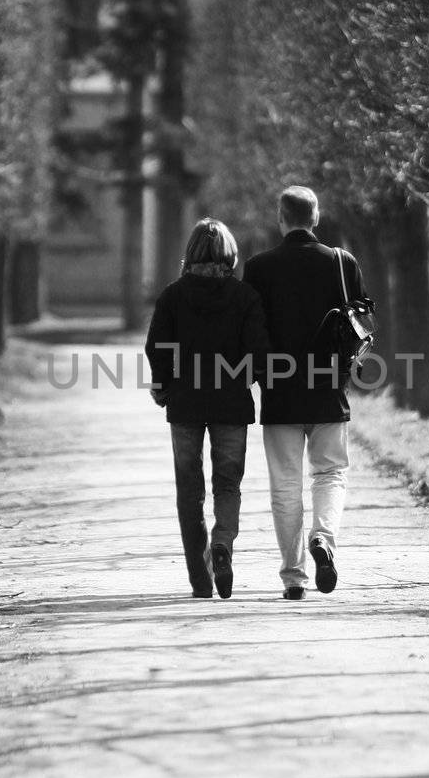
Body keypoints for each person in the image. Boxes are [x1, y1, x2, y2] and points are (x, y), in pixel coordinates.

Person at [242, 186, 368, 600]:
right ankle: (324, 539)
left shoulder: (259, 268)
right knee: (330, 473)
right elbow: (363, 320)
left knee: (284, 485)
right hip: (328, 387)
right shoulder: (340, 263)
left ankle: (294, 577)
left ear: (281, 219)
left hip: (280, 392)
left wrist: (258, 374)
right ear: (316, 217)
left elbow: (251, 331)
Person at [145, 218, 269, 600]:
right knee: (228, 484)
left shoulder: (172, 296)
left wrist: (163, 386)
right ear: (229, 254)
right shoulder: (245, 296)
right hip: (231, 404)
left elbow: (157, 347)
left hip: (185, 403)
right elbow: (259, 352)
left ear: (191, 253)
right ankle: (223, 545)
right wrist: (242, 380)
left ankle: (200, 579)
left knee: (190, 490)